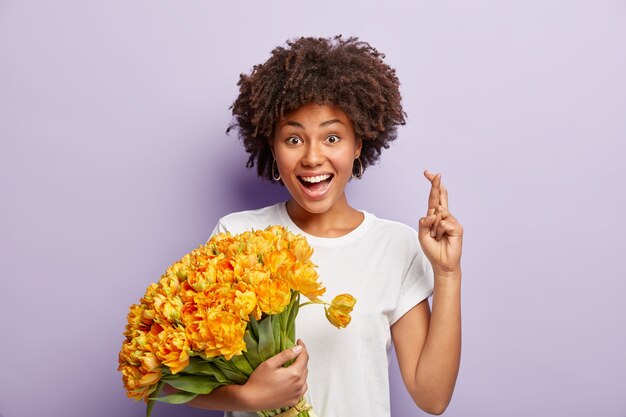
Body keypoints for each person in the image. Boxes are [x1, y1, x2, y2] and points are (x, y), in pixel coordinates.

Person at [180, 35, 463, 417]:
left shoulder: (394, 245)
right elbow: (170, 376)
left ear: (358, 143)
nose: (313, 157)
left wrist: (447, 274)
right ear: (273, 146)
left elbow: (432, 397)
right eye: (294, 139)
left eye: (332, 137)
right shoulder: (236, 237)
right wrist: (250, 398)